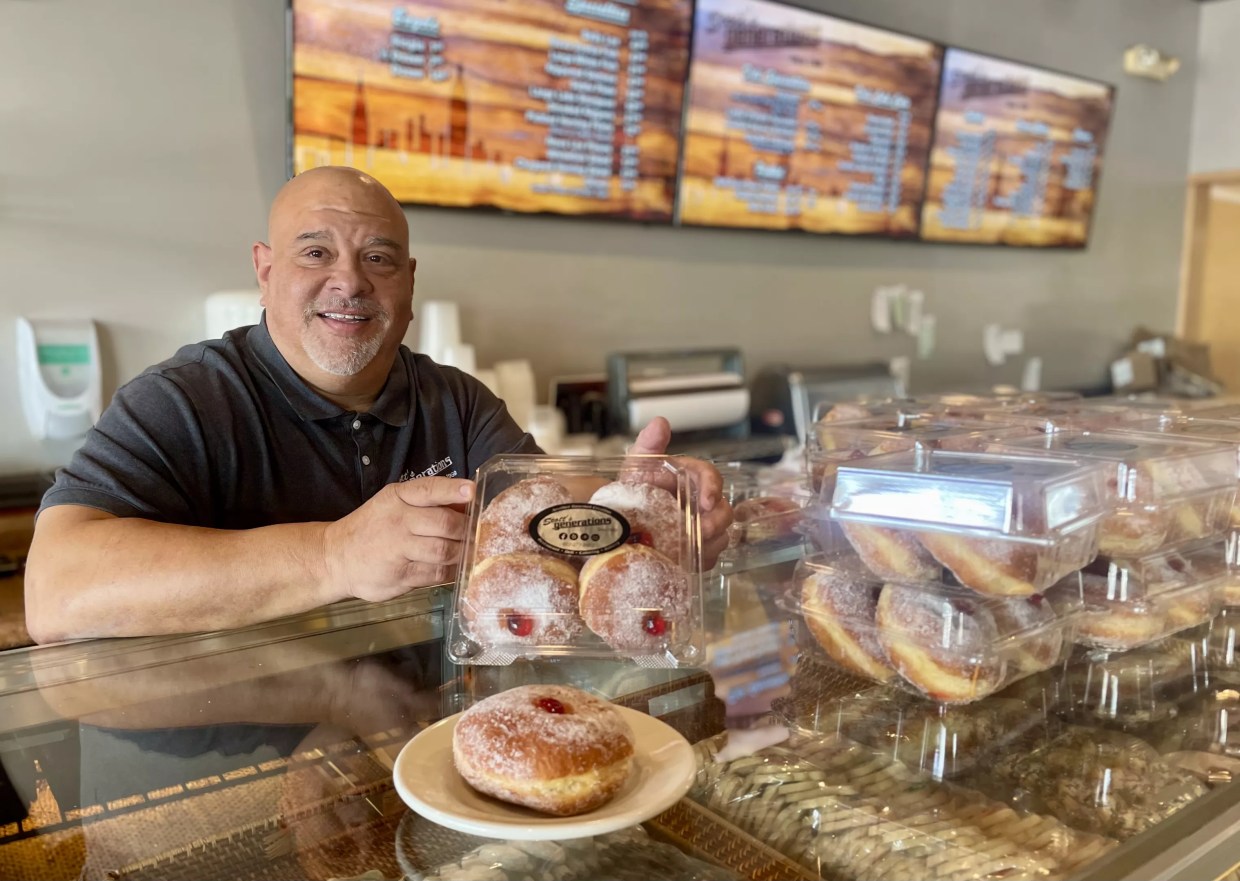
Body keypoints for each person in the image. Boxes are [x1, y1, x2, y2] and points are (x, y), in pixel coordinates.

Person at [24, 167, 732, 643]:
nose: (350, 282)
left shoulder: (454, 400)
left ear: (410, 282)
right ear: (265, 272)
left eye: (379, 259)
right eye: (315, 253)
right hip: (219, 767)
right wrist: (334, 555)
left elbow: (540, 505)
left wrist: (637, 511)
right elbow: (55, 591)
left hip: (411, 737)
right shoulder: (187, 400)